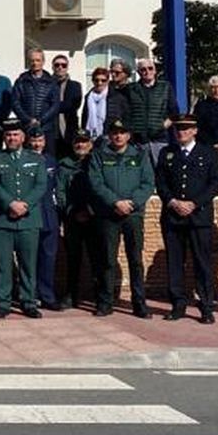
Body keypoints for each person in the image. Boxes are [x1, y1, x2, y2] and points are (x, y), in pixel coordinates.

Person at [154, 113, 218, 323]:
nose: (181, 132)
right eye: (178, 129)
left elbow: (214, 183)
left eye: (185, 129)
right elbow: (161, 182)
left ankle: (206, 306)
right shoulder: (167, 153)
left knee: (202, 263)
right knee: (175, 262)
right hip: (173, 216)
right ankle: (178, 304)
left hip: (199, 216)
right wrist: (173, 202)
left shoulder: (208, 153)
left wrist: (194, 203)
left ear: (194, 130)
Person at [87, 118, 155, 319]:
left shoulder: (140, 155)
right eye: (114, 132)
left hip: (133, 215)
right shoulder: (99, 155)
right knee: (107, 259)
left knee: (135, 260)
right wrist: (115, 202)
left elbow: (148, 183)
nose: (118, 136)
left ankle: (139, 303)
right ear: (109, 135)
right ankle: (105, 302)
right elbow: (96, 183)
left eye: (122, 132)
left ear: (128, 135)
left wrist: (131, 203)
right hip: (109, 214)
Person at [0, 117, 45, 319]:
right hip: (2, 219)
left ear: (23, 137)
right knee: (2, 264)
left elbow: (41, 186)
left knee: (28, 264)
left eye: (16, 134)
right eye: (8, 135)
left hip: (29, 220)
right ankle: (3, 302)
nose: (12, 138)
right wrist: (10, 203)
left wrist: (24, 205)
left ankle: (28, 301)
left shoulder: (36, 159)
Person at [55, 130, 102, 310]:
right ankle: (71, 295)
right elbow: (60, 192)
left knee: (96, 259)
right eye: (77, 142)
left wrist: (90, 211)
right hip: (73, 218)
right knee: (73, 259)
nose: (80, 145)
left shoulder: (96, 162)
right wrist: (71, 211)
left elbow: (100, 188)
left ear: (90, 144)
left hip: (93, 218)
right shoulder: (64, 165)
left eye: (84, 142)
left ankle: (100, 297)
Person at [26, 124, 63, 310]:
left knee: (48, 258)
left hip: (49, 216)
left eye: (39, 140)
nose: (36, 144)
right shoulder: (23, 160)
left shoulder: (51, 161)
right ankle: (30, 296)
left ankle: (47, 296)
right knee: (29, 259)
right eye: (33, 140)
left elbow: (58, 189)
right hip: (30, 216)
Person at [124, 58, 177, 161]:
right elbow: (126, 112)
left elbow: (174, 112)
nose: (147, 72)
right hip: (138, 141)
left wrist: (162, 126)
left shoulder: (165, 87)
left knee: (160, 172)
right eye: (143, 69)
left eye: (150, 68)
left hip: (159, 140)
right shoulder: (131, 89)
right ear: (139, 72)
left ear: (155, 70)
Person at [11, 49, 58, 133]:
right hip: (26, 127)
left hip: (46, 127)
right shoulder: (21, 81)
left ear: (43, 62)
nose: (35, 63)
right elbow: (15, 102)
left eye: (38, 60)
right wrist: (28, 120)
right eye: (32, 60)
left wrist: (41, 120)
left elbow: (55, 105)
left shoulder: (51, 82)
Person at [48, 54, 84, 158]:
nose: (60, 67)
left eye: (63, 65)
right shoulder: (46, 85)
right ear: (53, 67)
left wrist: (52, 107)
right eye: (57, 65)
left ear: (67, 67)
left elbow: (72, 106)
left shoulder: (75, 86)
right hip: (51, 129)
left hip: (69, 129)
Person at [81, 65, 115, 142]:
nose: (99, 83)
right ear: (93, 81)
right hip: (90, 137)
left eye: (103, 80)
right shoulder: (88, 97)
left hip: (108, 137)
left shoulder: (115, 97)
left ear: (108, 81)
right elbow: (84, 117)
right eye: (96, 80)